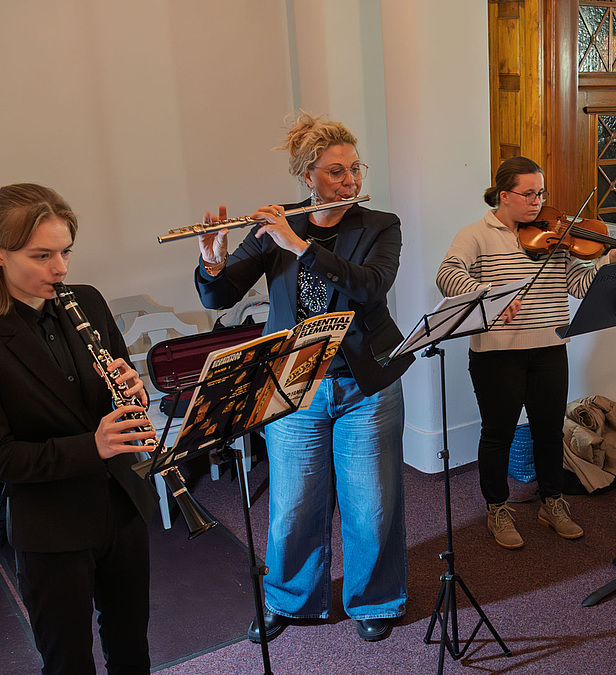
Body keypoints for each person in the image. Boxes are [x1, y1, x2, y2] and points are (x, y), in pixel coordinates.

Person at [196, 113, 411, 643]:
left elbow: (370, 287)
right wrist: (213, 264)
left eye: (355, 170)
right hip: (294, 382)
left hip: (367, 382)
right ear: (307, 175)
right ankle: (289, 598)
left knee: (372, 501)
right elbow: (219, 297)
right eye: (336, 172)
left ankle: (375, 599)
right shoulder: (275, 226)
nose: (350, 182)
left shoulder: (380, 225)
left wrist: (301, 247)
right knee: (293, 502)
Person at [0, 183, 155, 674]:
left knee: (130, 646)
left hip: (122, 503)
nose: (59, 269)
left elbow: (118, 397)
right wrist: (91, 446)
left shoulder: (88, 303)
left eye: (65, 252)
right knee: (68, 660)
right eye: (41, 255)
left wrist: (131, 389)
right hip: (50, 524)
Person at [437, 156, 616, 551]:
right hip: (497, 353)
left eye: (541, 193)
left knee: (548, 431)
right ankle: (497, 507)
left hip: (550, 347)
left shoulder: (557, 235)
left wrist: (607, 261)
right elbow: (447, 274)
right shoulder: (476, 234)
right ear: (504, 195)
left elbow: (578, 285)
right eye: (528, 194)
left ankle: (552, 502)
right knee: (498, 434)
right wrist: (490, 298)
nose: (537, 202)